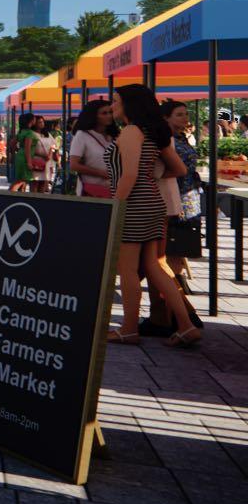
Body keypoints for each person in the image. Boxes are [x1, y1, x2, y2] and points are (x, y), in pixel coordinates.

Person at [106, 86, 199, 347]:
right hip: (153, 203)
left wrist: (115, 207)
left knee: (127, 270)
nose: (112, 106)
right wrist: (152, 177)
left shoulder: (132, 132)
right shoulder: (153, 133)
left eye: (115, 101)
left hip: (133, 205)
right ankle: (186, 325)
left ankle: (128, 328)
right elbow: (179, 168)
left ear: (129, 104)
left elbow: (129, 175)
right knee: (154, 267)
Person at [69, 99, 116, 199]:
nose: (109, 116)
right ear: (94, 116)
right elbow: (74, 165)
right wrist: (102, 173)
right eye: (104, 113)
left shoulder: (115, 136)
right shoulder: (82, 135)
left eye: (110, 112)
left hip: (113, 189)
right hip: (91, 191)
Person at [10, 113, 43, 193]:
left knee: (21, 179)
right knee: (21, 180)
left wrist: (17, 151)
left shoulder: (21, 131)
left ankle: (17, 196)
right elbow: (27, 148)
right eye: (34, 119)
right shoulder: (30, 133)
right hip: (26, 158)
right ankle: (8, 195)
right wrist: (29, 162)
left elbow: (12, 143)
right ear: (31, 121)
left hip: (20, 156)